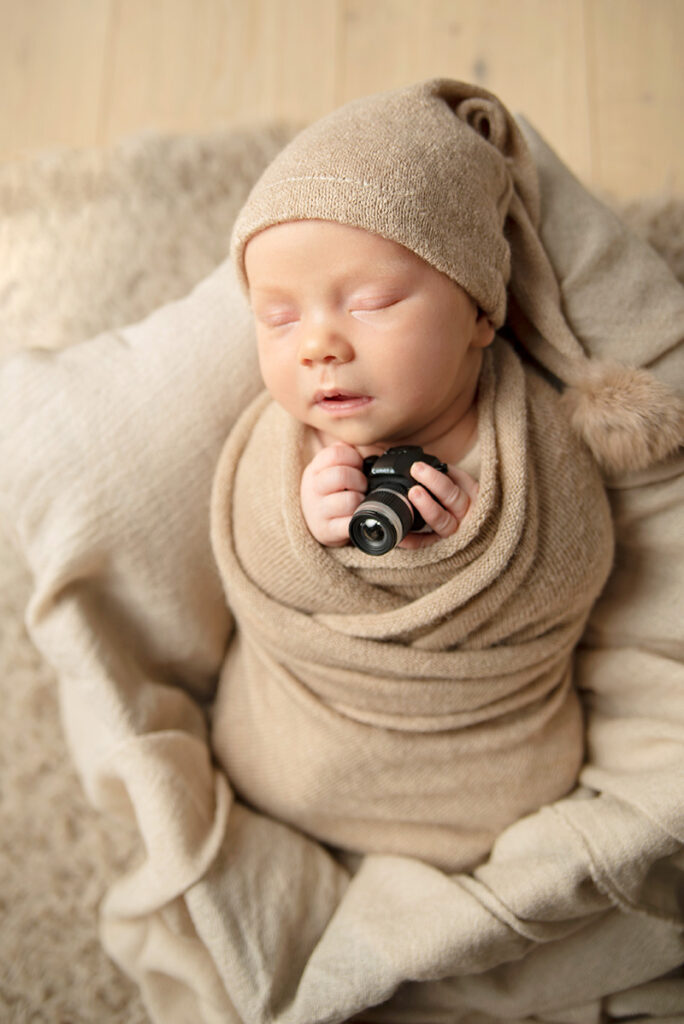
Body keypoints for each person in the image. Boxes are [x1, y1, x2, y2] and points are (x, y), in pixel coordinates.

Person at [208, 78, 682, 876]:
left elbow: (579, 564)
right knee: (277, 756)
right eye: (279, 318)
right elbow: (245, 550)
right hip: (299, 742)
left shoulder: (529, 434)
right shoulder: (279, 442)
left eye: (371, 302)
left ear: (480, 312)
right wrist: (302, 525)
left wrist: (474, 541)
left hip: (483, 762)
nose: (318, 346)